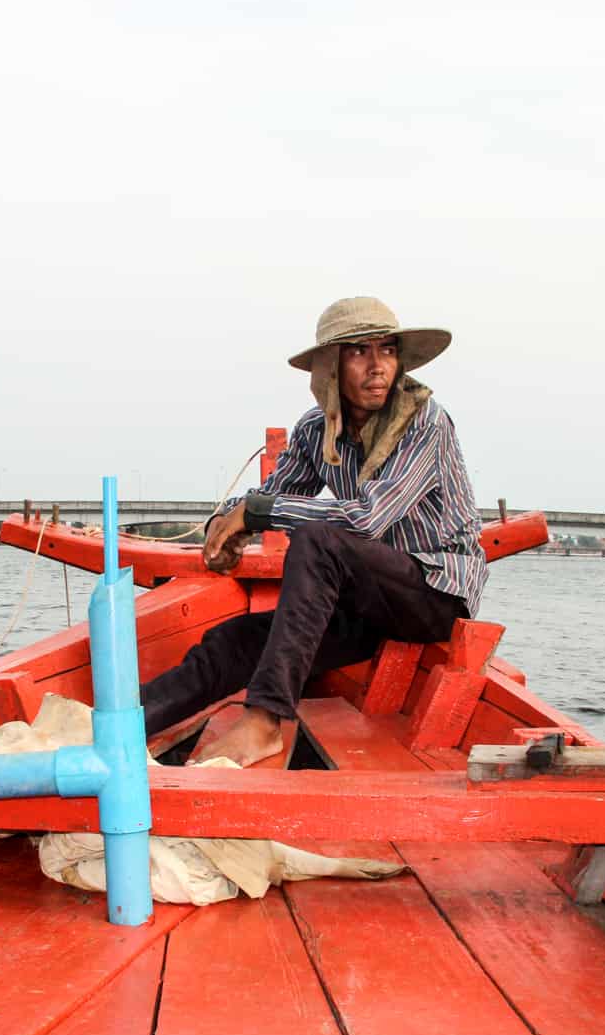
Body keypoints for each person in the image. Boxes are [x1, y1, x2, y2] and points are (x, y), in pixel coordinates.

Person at [140, 296, 485, 765]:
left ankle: (264, 722)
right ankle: (124, 727)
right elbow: (276, 494)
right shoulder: (315, 430)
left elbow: (366, 518)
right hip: (365, 601)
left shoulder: (425, 422)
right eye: (359, 352)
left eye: (386, 350)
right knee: (233, 641)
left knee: (319, 539)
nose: (377, 366)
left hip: (431, 594)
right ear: (330, 367)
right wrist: (228, 529)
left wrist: (256, 513)